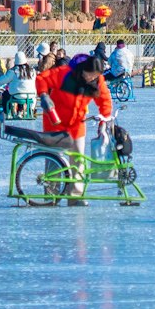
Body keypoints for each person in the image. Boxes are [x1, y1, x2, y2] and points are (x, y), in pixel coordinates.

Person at [34, 53, 113, 204]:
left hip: (77, 125)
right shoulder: (64, 74)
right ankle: (51, 195)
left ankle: (75, 196)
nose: (92, 78)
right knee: (54, 161)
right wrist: (44, 95)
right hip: (55, 123)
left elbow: (104, 100)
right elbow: (41, 78)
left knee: (78, 161)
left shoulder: (98, 80)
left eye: (95, 76)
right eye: (90, 75)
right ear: (83, 70)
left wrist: (105, 118)